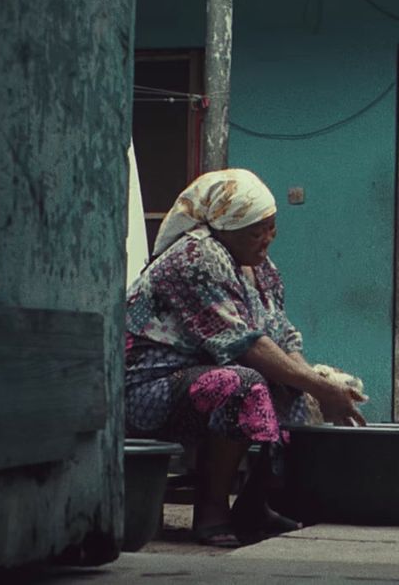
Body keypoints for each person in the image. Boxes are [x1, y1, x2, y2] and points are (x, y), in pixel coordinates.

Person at [123, 168, 366, 547]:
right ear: (223, 227)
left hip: (206, 376)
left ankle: (255, 503)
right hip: (147, 387)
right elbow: (244, 345)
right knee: (242, 384)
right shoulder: (194, 257)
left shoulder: (261, 269)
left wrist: (321, 387)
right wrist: (317, 386)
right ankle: (211, 511)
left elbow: (282, 337)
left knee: (291, 385)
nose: (267, 238)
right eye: (257, 230)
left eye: (271, 227)